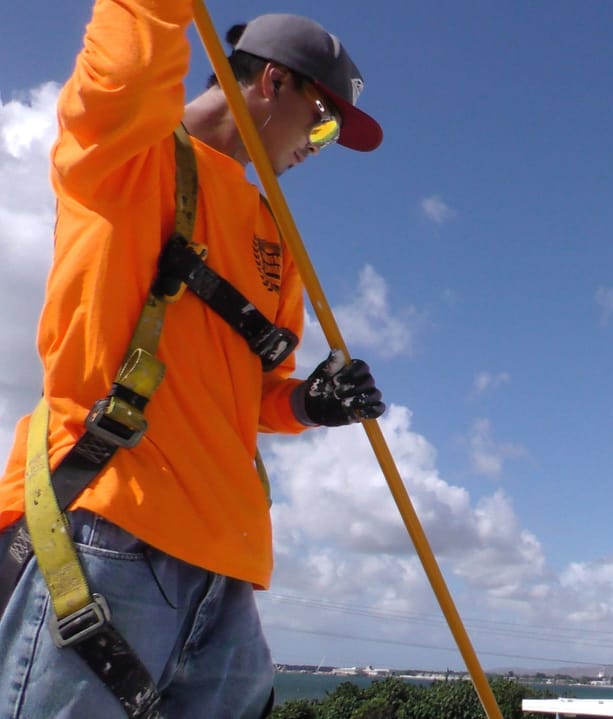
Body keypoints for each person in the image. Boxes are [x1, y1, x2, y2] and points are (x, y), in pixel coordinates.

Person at [0, 2, 386, 717]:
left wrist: (310, 404)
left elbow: (259, 394)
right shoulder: (127, 152)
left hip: (228, 577)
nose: (318, 145)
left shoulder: (278, 239)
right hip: (107, 527)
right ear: (273, 82)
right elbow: (131, 48)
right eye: (324, 120)